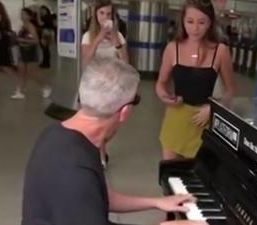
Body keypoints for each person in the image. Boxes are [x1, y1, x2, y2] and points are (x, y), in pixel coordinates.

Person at [21, 58, 205, 225]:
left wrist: (156, 202)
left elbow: (97, 195)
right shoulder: (75, 168)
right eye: (136, 100)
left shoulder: (58, 134)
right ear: (124, 111)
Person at [156, 0, 235, 160]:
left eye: (201, 22)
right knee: (171, 176)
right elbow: (161, 83)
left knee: (198, 178)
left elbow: (230, 90)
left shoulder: (220, 51)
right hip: (175, 119)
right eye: (190, 22)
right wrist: (165, 96)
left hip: (203, 121)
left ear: (210, 23)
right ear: (183, 21)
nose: (195, 28)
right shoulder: (173, 48)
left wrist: (213, 109)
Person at [13, 8, 51, 99]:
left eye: (24, 14)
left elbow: (36, 40)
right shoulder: (23, 26)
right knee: (21, 72)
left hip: (30, 51)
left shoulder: (30, 26)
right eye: (21, 14)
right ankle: (20, 90)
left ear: (29, 16)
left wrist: (22, 40)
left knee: (32, 73)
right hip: (23, 50)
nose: (22, 16)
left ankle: (45, 87)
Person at [82, 0, 129, 65]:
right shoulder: (87, 36)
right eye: (102, 13)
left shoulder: (118, 35)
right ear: (96, 14)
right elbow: (85, 62)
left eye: (108, 14)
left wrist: (118, 44)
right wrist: (97, 39)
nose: (105, 17)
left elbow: (126, 64)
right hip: (94, 74)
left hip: (114, 73)